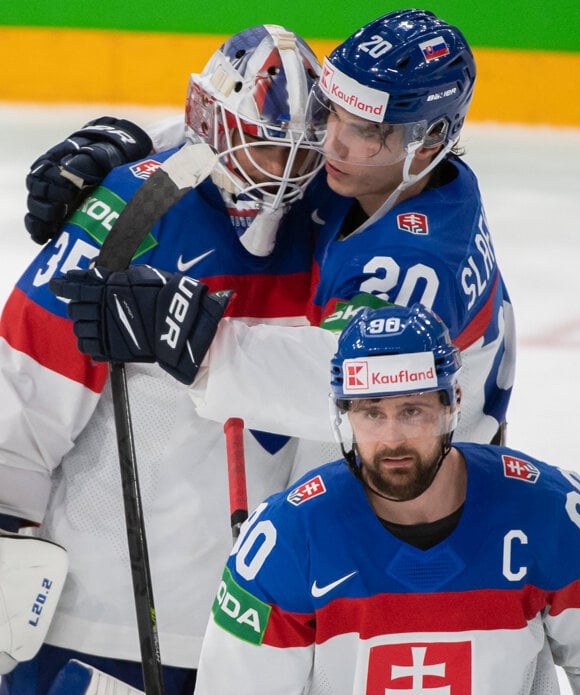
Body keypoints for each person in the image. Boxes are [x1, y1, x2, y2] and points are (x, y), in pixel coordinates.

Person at [0, 24, 328, 693]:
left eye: (303, 153)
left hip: (256, 633)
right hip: (94, 623)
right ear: (216, 119)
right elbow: (23, 391)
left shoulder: (334, 223)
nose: (289, 172)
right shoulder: (134, 207)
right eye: (269, 146)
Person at [46, 10, 515, 448]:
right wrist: (136, 142)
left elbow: (354, 387)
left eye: (368, 131)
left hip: (416, 491)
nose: (332, 145)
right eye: (330, 112)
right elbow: (258, 126)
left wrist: (192, 337)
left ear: (431, 138)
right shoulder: (394, 178)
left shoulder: (419, 260)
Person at [190, 302, 580, 694]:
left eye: (412, 411)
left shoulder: (550, 512)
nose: (392, 438)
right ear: (344, 415)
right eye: (372, 413)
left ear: (453, 403)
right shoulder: (286, 539)